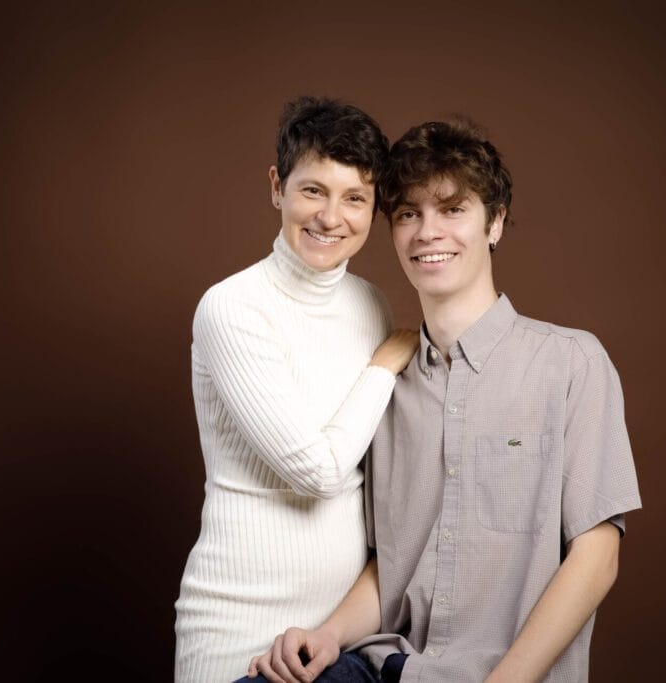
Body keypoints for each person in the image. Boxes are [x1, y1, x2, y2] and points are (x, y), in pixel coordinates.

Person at [246, 120, 642, 682]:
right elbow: (392, 564)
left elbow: (597, 556)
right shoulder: (386, 385)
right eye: (408, 214)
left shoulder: (572, 363)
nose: (427, 232)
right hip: (388, 668)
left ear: (495, 223)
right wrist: (327, 635)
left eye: (452, 210)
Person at [174, 97, 419, 682]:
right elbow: (317, 472)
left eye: (354, 198)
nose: (331, 217)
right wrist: (385, 366)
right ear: (277, 187)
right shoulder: (233, 308)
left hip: (339, 642)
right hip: (239, 635)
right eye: (313, 191)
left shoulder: (371, 305)